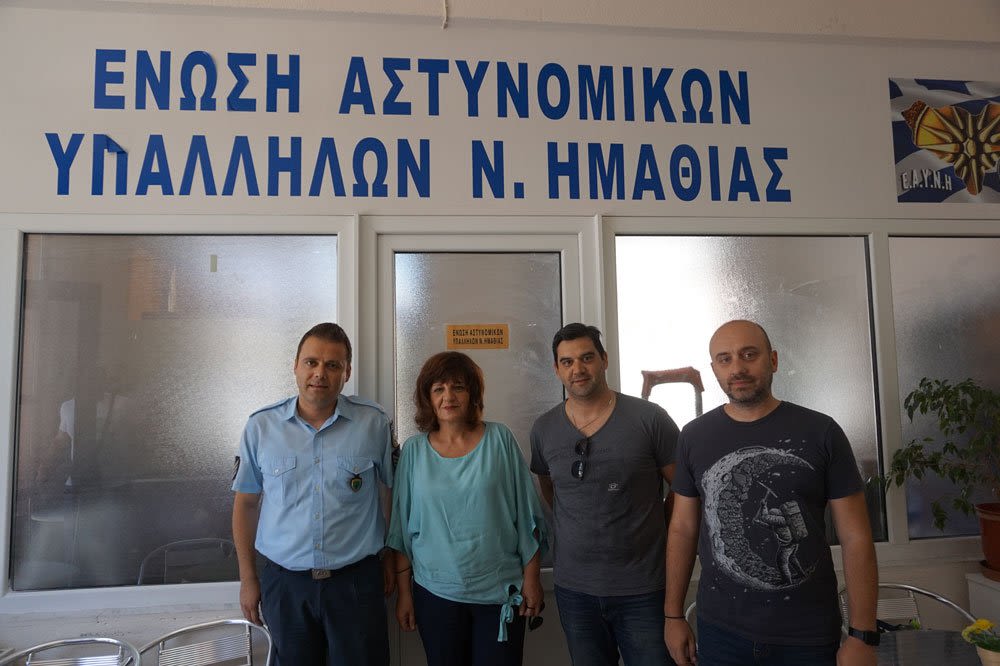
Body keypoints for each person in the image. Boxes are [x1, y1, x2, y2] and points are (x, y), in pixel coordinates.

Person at [664, 319, 878, 666]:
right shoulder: (693, 436)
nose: (737, 368)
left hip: (807, 635)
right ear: (714, 369)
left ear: (773, 360)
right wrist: (673, 615)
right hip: (721, 633)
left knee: (785, 561)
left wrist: (863, 635)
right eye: (725, 359)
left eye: (749, 355)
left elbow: (856, 537)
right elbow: (682, 529)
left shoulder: (821, 432)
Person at [231, 322, 395, 666]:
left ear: (347, 372)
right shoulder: (261, 426)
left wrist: (392, 559)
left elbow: (392, 493)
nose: (320, 373)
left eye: (332, 365)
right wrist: (248, 578)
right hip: (286, 587)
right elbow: (245, 504)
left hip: (356, 583)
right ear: (295, 366)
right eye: (311, 362)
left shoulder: (374, 424)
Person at [530, 323, 679, 666]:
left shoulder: (650, 419)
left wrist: (660, 522)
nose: (577, 369)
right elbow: (551, 489)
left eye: (587, 358)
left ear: (604, 360)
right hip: (574, 591)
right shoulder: (544, 428)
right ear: (556, 369)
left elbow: (684, 489)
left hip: (643, 588)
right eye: (567, 362)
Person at [388, 351, 549, 666]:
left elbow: (528, 515)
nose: (448, 396)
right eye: (439, 389)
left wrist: (532, 578)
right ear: (427, 397)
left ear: (472, 393)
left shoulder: (500, 439)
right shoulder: (414, 451)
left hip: (500, 593)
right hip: (435, 594)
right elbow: (401, 529)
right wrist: (404, 593)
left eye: (458, 387)